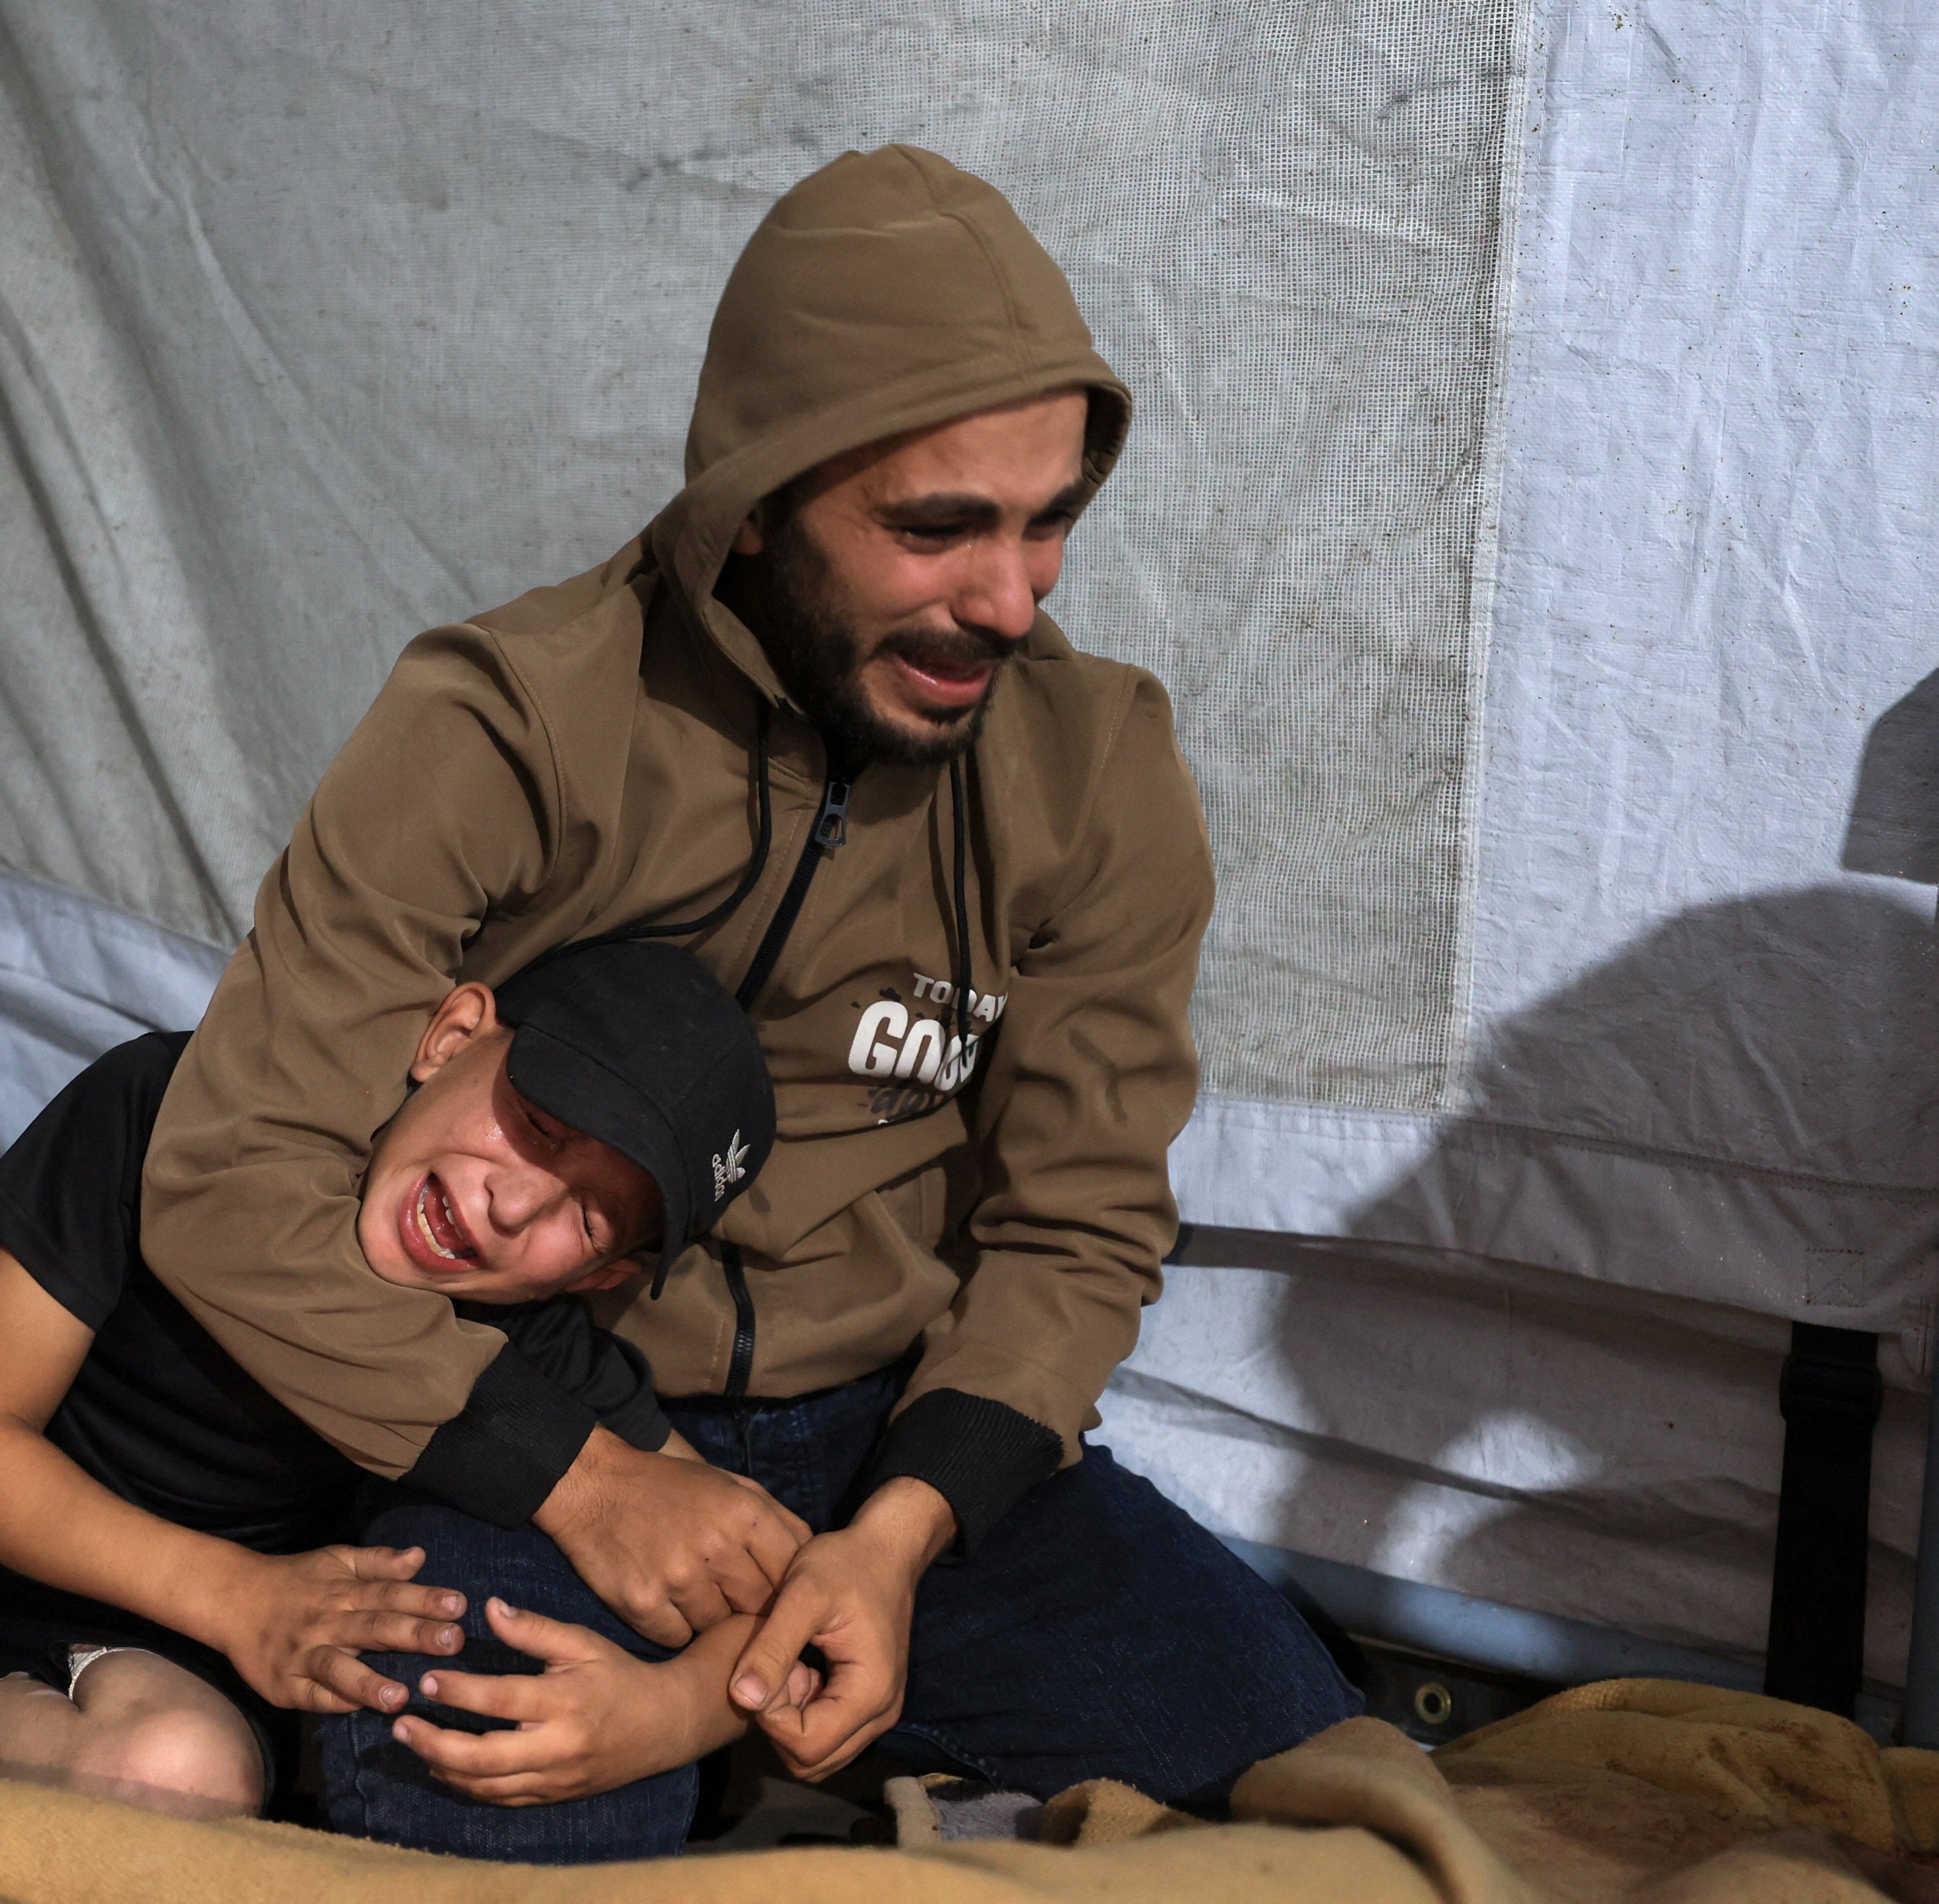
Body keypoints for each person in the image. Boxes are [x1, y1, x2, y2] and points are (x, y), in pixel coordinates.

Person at [130, 144, 1365, 1861]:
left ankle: (785, 1729)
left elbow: (1075, 1233)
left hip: (896, 1455)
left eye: (1051, 521)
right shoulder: (505, 723)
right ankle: (737, 1754)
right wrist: (586, 1473)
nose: (1010, 603)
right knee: (497, 1794)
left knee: (1328, 1803)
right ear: (760, 500)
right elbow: (230, 1179)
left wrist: (898, 1538)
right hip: (537, 1412)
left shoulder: (1099, 775)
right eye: (938, 527)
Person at [0, 940, 789, 1812]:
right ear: (450, 1035)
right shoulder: (185, 1111)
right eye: (538, 1123)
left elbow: (754, 1567)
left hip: (129, 1640)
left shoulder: (534, 1348)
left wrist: (667, 1712)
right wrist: (244, 1593)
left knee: (191, 1776)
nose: (513, 1205)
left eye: (585, 1216)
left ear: (602, 1276)